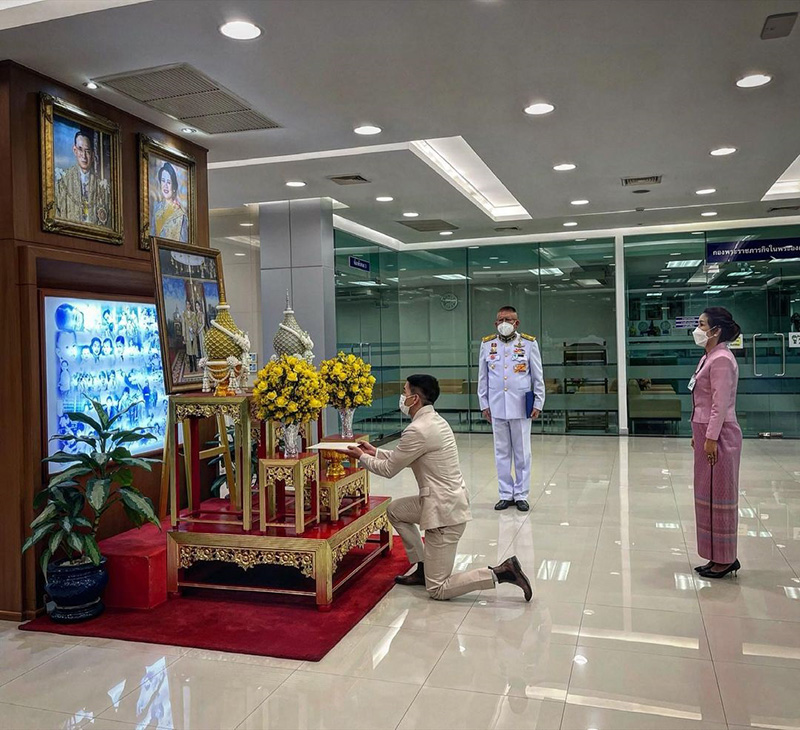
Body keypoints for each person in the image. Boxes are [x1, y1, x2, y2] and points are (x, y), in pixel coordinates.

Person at [346, 374, 532, 602]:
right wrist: (373, 451)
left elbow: (389, 470)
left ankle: (501, 572)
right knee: (395, 510)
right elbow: (401, 457)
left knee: (438, 589)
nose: (401, 397)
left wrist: (361, 457)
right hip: (442, 500)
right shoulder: (433, 421)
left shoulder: (418, 430)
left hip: (444, 514)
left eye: (404, 392)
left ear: (414, 399)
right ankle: (423, 568)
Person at [690, 307, 743, 579]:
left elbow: (719, 405)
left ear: (716, 330)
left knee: (720, 495)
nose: (697, 330)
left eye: (701, 324)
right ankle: (714, 555)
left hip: (719, 434)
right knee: (706, 495)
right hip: (705, 432)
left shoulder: (721, 359)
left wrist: (710, 438)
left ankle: (726, 558)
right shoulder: (709, 356)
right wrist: (697, 435)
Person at [478, 306, 545, 511]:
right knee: (502, 452)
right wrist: (484, 404)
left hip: (520, 406)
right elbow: (483, 377)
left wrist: (538, 402)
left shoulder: (528, 343)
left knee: (523, 453)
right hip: (497, 406)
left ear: (517, 323)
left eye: (509, 319)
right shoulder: (487, 344)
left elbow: (537, 375)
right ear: (495, 323)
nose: (504, 323)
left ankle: (522, 494)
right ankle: (505, 494)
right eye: (500, 320)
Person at [55, 127, 111, 226]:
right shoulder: (63, 182)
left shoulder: (102, 186)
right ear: (75, 150)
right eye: (80, 150)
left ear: (93, 155)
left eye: (87, 151)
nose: (84, 156)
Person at [152, 162, 189, 242]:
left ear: (174, 187)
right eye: (163, 181)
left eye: (168, 182)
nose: (165, 185)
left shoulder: (180, 216)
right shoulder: (156, 209)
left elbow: (183, 246)